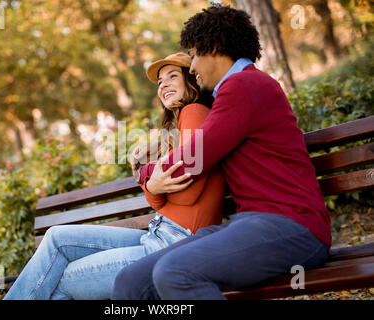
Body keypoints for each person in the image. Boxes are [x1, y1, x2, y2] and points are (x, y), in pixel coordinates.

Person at [111, 4, 332, 300]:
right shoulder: (236, 91)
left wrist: (145, 173)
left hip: (294, 226)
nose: (192, 68)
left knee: (175, 273)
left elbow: (193, 159)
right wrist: (164, 142)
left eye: (194, 55)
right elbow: (202, 136)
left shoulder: (244, 85)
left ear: (213, 47)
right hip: (250, 223)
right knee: (131, 281)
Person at [4, 52, 226, 300]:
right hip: (158, 235)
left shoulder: (194, 111)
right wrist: (152, 183)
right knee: (56, 237)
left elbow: (188, 193)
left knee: (59, 279)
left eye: (173, 76)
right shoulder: (176, 132)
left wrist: (147, 177)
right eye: (160, 81)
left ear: (191, 81)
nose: (163, 85)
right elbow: (158, 201)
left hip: (176, 245)